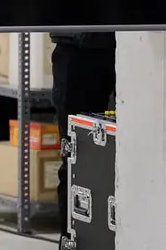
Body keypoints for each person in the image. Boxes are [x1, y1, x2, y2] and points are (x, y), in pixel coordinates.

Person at [49, 31, 116, 244]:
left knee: (132, 155)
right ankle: (71, 241)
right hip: (77, 49)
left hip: (128, 46)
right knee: (74, 159)